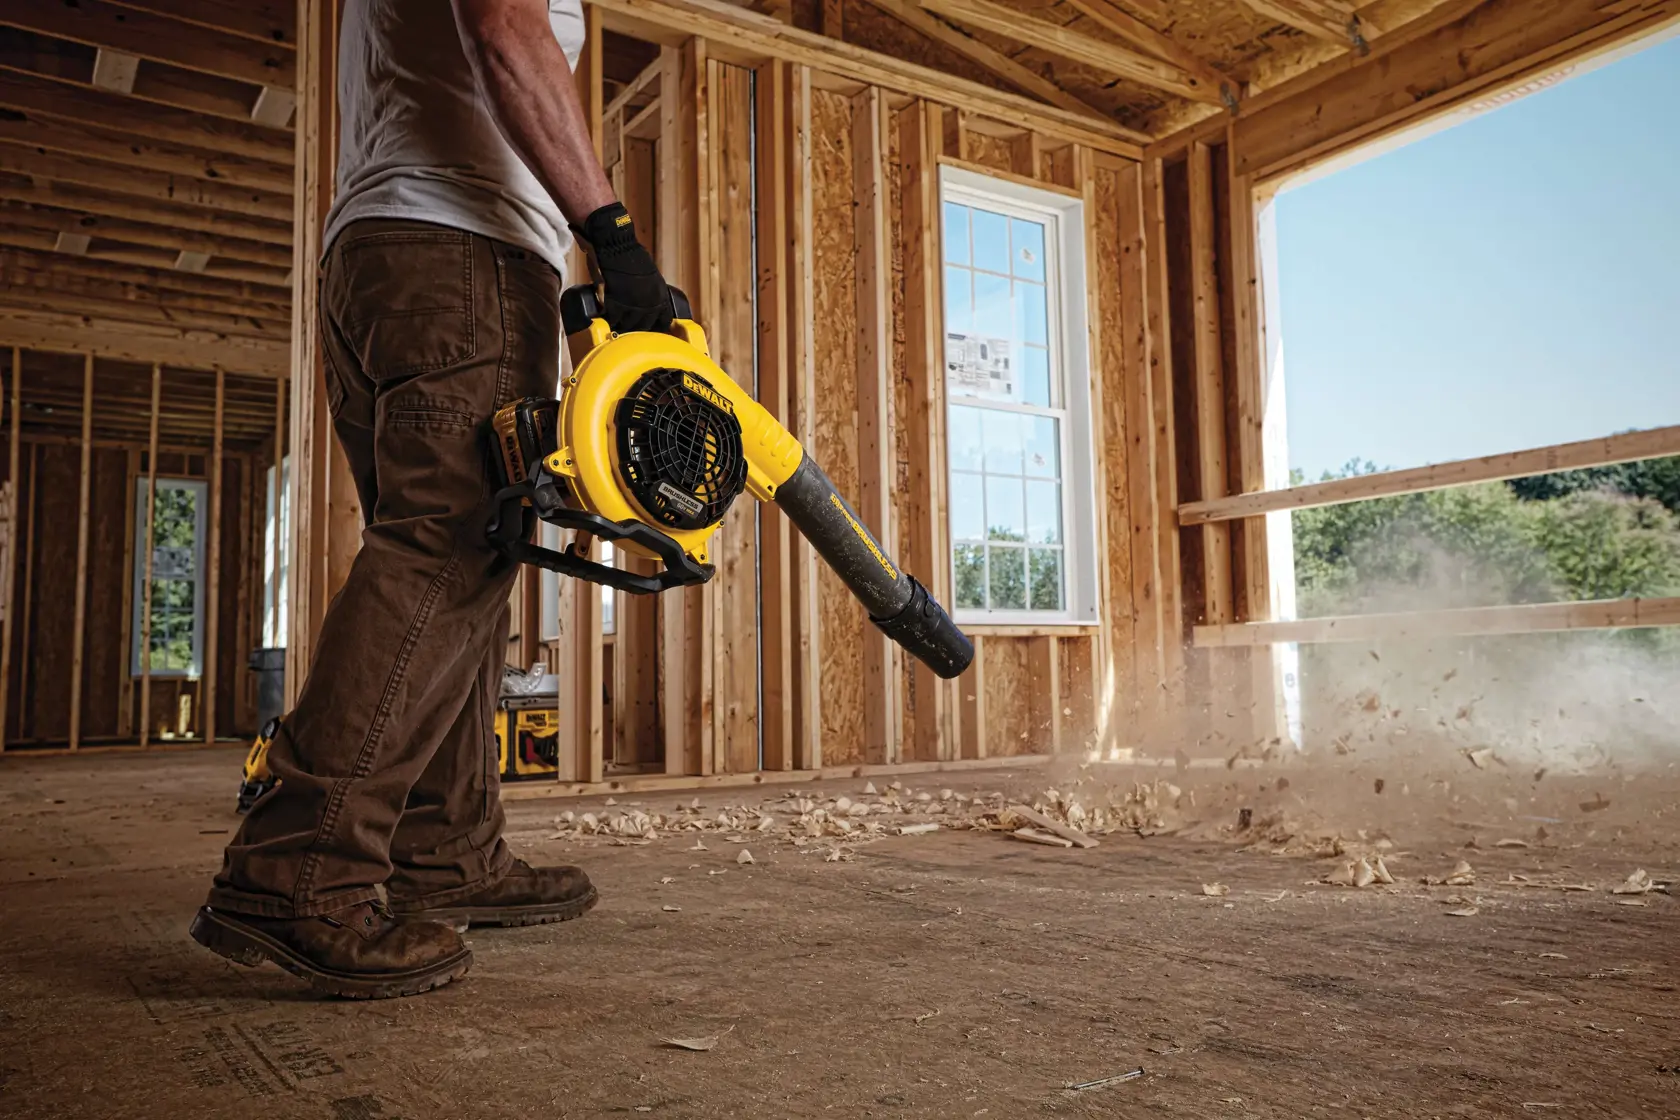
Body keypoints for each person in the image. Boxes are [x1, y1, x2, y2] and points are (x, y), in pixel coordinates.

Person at [189, 0, 672, 999]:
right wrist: (613, 235)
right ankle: (298, 868)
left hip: (379, 257)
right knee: (451, 549)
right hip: (464, 250)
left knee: (460, 563)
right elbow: (505, 29)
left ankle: (446, 848)